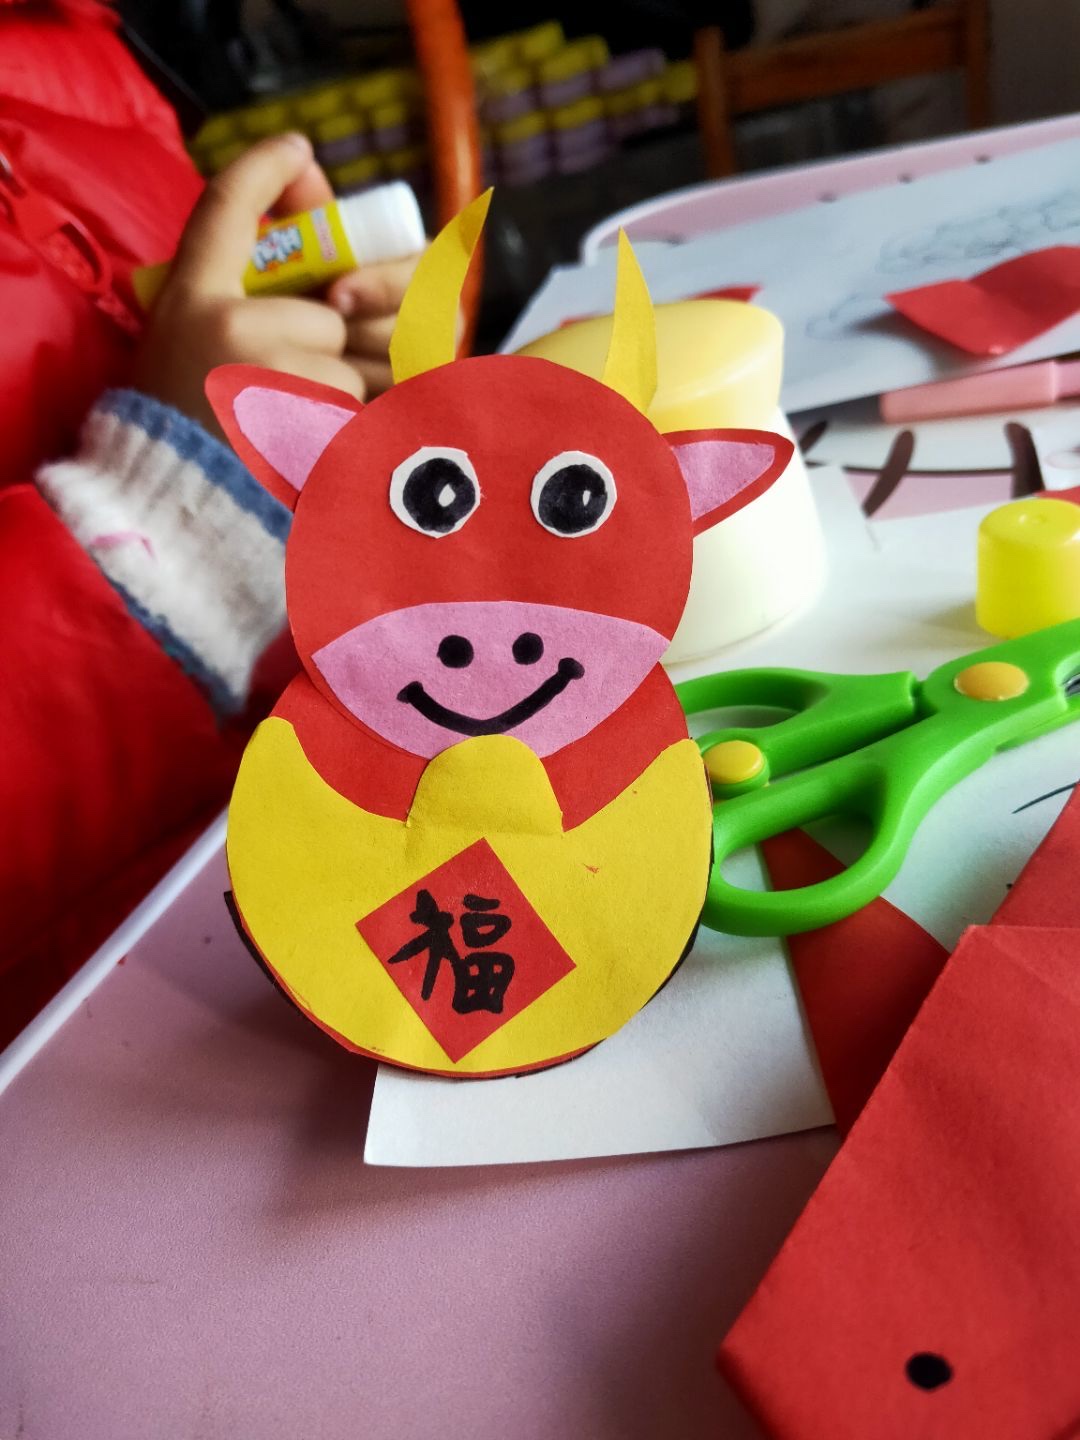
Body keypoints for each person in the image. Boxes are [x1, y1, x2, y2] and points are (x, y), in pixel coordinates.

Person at [0, 0, 416, 1045]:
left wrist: (333, 367)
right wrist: (165, 536)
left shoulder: (67, 45)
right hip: (103, 1049)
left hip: (310, 863)